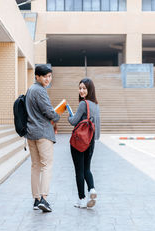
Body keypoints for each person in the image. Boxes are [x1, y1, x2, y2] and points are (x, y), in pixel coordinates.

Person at [25, 65, 60, 212]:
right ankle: (44, 198)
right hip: (42, 133)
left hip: (31, 133)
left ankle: (36, 199)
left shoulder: (30, 90)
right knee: (47, 165)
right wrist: (57, 115)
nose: (48, 79)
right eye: (45, 76)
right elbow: (49, 112)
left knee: (35, 166)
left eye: (50, 76)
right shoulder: (40, 91)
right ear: (37, 77)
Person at [68, 78, 101, 209]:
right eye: (80, 88)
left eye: (84, 88)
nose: (81, 91)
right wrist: (92, 140)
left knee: (79, 171)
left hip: (79, 142)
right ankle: (92, 189)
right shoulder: (96, 105)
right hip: (91, 141)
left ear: (89, 90)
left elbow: (73, 121)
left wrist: (69, 115)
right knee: (87, 168)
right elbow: (97, 127)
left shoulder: (83, 104)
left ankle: (81, 199)